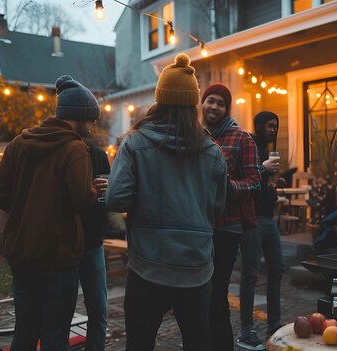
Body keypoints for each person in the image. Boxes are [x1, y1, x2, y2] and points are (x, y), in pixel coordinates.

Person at [106, 53, 227, 351]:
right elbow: (218, 208)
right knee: (198, 342)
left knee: (140, 342)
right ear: (193, 105)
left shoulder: (135, 142)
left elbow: (116, 197)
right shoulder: (212, 152)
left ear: (160, 100)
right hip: (196, 268)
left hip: (148, 265)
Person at [0, 75, 100, 351]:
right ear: (81, 116)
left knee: (25, 333)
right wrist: (94, 190)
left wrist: (28, 211)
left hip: (21, 255)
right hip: (58, 258)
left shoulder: (19, 143)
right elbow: (81, 202)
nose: (92, 127)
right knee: (55, 337)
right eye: (92, 119)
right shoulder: (74, 149)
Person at [201, 83, 261, 351]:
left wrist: (230, 188)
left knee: (216, 295)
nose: (213, 107)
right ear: (202, 104)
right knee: (199, 295)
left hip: (226, 228)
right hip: (200, 227)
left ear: (227, 109)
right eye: (209, 101)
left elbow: (255, 183)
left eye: (220, 103)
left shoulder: (242, 139)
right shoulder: (196, 137)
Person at [237, 111, 285, 350]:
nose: (273, 130)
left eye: (276, 126)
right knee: (250, 274)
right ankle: (246, 330)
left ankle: (274, 325)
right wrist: (264, 169)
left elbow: (262, 182)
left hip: (269, 217)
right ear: (258, 126)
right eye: (269, 126)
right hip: (252, 218)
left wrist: (274, 183)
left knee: (277, 267)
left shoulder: (268, 148)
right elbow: (244, 175)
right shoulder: (250, 144)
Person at [79, 141, 110, 351]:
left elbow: (106, 197)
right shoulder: (58, 155)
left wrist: (105, 192)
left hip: (94, 244)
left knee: (98, 312)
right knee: (59, 314)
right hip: (63, 248)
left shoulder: (99, 155)